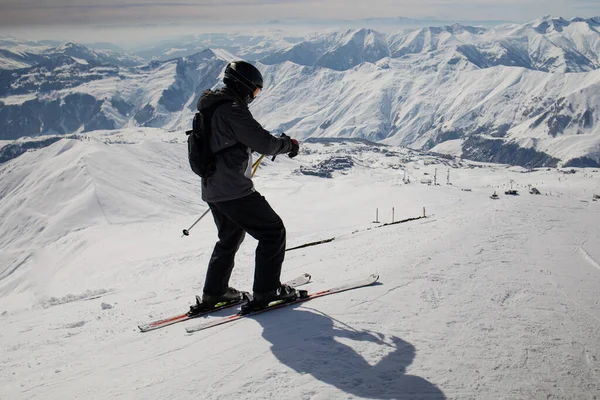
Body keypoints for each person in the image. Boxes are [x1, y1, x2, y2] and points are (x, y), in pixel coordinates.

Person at [191, 61, 300, 313]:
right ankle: (267, 291)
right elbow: (265, 143)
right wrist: (288, 145)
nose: (254, 97)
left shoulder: (211, 108)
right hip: (231, 188)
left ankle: (215, 292)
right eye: (255, 91)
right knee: (272, 232)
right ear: (244, 86)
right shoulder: (231, 109)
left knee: (229, 237)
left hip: (213, 188)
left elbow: (227, 141)